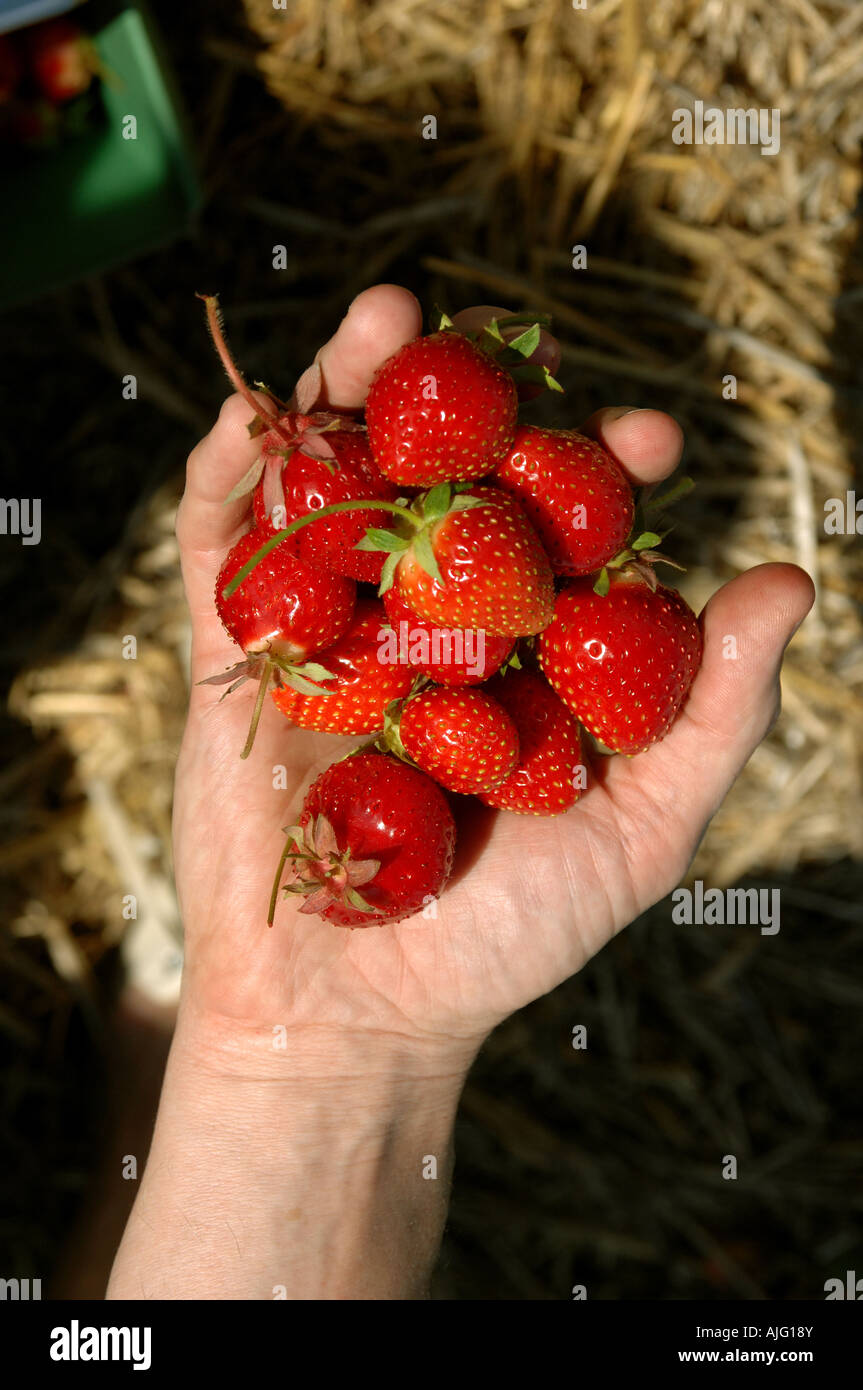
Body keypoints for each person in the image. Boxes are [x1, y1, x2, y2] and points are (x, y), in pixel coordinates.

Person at [105, 284, 814, 1300]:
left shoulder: (427, 589)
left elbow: (480, 603)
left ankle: (158, 1054)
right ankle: (163, 1050)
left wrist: (304, 1060)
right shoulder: (411, 609)